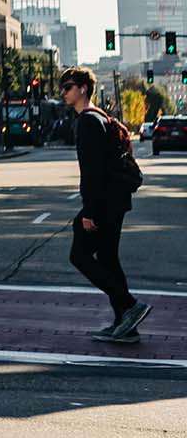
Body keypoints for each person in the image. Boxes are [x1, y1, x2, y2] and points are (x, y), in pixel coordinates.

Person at [62, 67, 149, 342]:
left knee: (79, 256)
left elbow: (92, 171)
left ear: (83, 89)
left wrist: (89, 211)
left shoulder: (87, 122)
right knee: (109, 259)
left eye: (68, 86)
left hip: (104, 203)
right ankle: (126, 324)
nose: (63, 92)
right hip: (116, 200)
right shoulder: (101, 116)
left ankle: (131, 306)